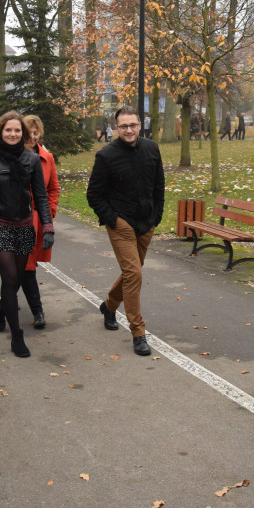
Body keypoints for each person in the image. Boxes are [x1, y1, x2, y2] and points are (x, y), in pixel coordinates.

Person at [0, 111, 54, 358]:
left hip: (24, 225)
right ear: (0, 133)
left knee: (14, 282)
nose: (13, 134)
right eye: (8, 130)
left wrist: (47, 226)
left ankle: (1, 307)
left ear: (23, 134)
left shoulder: (32, 160)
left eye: (17, 131)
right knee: (11, 276)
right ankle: (17, 335)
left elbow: (41, 196)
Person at [86, 105, 165, 357]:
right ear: (116, 128)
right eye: (123, 126)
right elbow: (94, 195)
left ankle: (109, 307)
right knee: (134, 274)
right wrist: (112, 219)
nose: (128, 130)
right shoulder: (106, 156)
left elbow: (159, 185)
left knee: (133, 273)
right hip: (121, 224)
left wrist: (156, 216)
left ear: (140, 125)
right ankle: (138, 332)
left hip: (146, 222)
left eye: (132, 125)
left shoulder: (151, 149)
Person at [14, 114, 61, 330]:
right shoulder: (11, 156)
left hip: (39, 217)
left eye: (36, 132)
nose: (33, 136)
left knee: (27, 265)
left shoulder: (46, 157)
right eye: (29, 132)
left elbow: (53, 188)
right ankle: (37, 310)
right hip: (15, 219)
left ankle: (3, 305)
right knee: (26, 265)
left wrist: (49, 212)